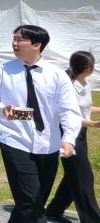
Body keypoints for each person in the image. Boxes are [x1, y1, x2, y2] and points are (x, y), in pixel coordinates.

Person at [0, 25, 82, 222]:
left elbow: (69, 110)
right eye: (14, 39)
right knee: (30, 202)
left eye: (20, 39)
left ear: (37, 45)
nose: (14, 43)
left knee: (34, 201)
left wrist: (69, 138)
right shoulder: (3, 71)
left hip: (49, 144)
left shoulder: (56, 74)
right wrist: (2, 108)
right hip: (15, 141)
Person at [45, 51, 100, 223]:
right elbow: (69, 115)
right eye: (93, 65)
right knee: (84, 176)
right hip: (68, 134)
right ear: (88, 68)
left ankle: (54, 210)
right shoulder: (68, 87)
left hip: (81, 134)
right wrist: (93, 124)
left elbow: (84, 108)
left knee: (73, 174)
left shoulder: (85, 83)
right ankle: (92, 219)